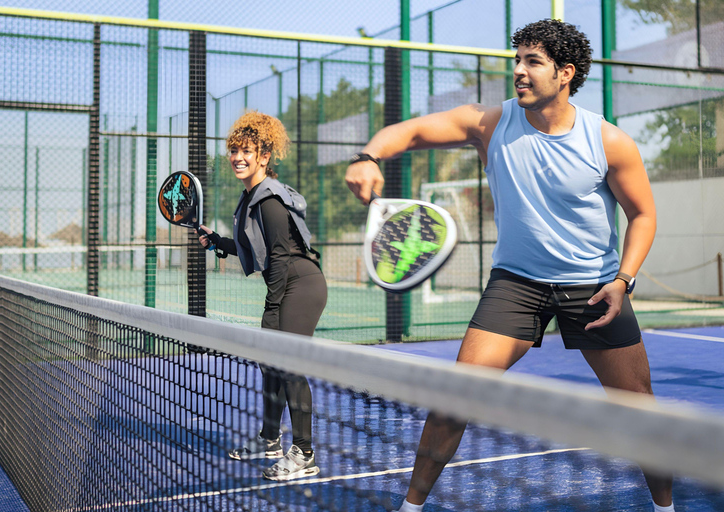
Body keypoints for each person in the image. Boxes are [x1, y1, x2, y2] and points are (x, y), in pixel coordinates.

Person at [345, 19, 674, 512]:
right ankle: (409, 509)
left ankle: (665, 509)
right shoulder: (491, 123)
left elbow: (643, 214)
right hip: (516, 285)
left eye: (532, 62)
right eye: (516, 60)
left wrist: (623, 280)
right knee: (455, 401)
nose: (518, 71)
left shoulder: (608, 142)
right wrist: (369, 154)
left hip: (594, 286)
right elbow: (410, 131)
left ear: (565, 73)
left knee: (639, 406)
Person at [198, 111, 326, 482]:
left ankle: (304, 452)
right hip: (287, 282)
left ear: (264, 156)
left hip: (300, 285)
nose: (238, 157)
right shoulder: (251, 196)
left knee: (287, 364)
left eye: (247, 151)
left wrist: (272, 309)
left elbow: (283, 258)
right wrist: (219, 242)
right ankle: (270, 439)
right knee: (270, 363)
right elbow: (259, 251)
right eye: (234, 150)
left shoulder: (268, 199)